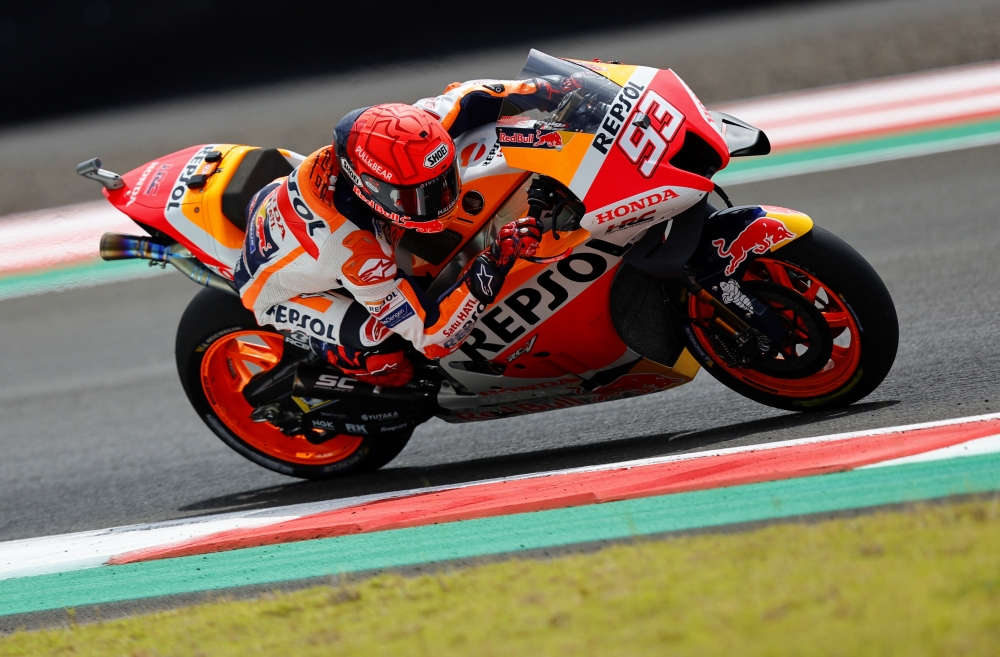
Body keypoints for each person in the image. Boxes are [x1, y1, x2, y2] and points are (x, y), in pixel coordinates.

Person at [232, 75, 586, 389]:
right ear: (367, 186)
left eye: (443, 184)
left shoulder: (414, 134)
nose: (441, 201)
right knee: (382, 344)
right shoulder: (354, 252)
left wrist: (551, 88)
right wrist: (494, 259)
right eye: (416, 197)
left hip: (292, 215)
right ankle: (345, 364)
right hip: (282, 291)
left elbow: (471, 95)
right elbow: (433, 337)